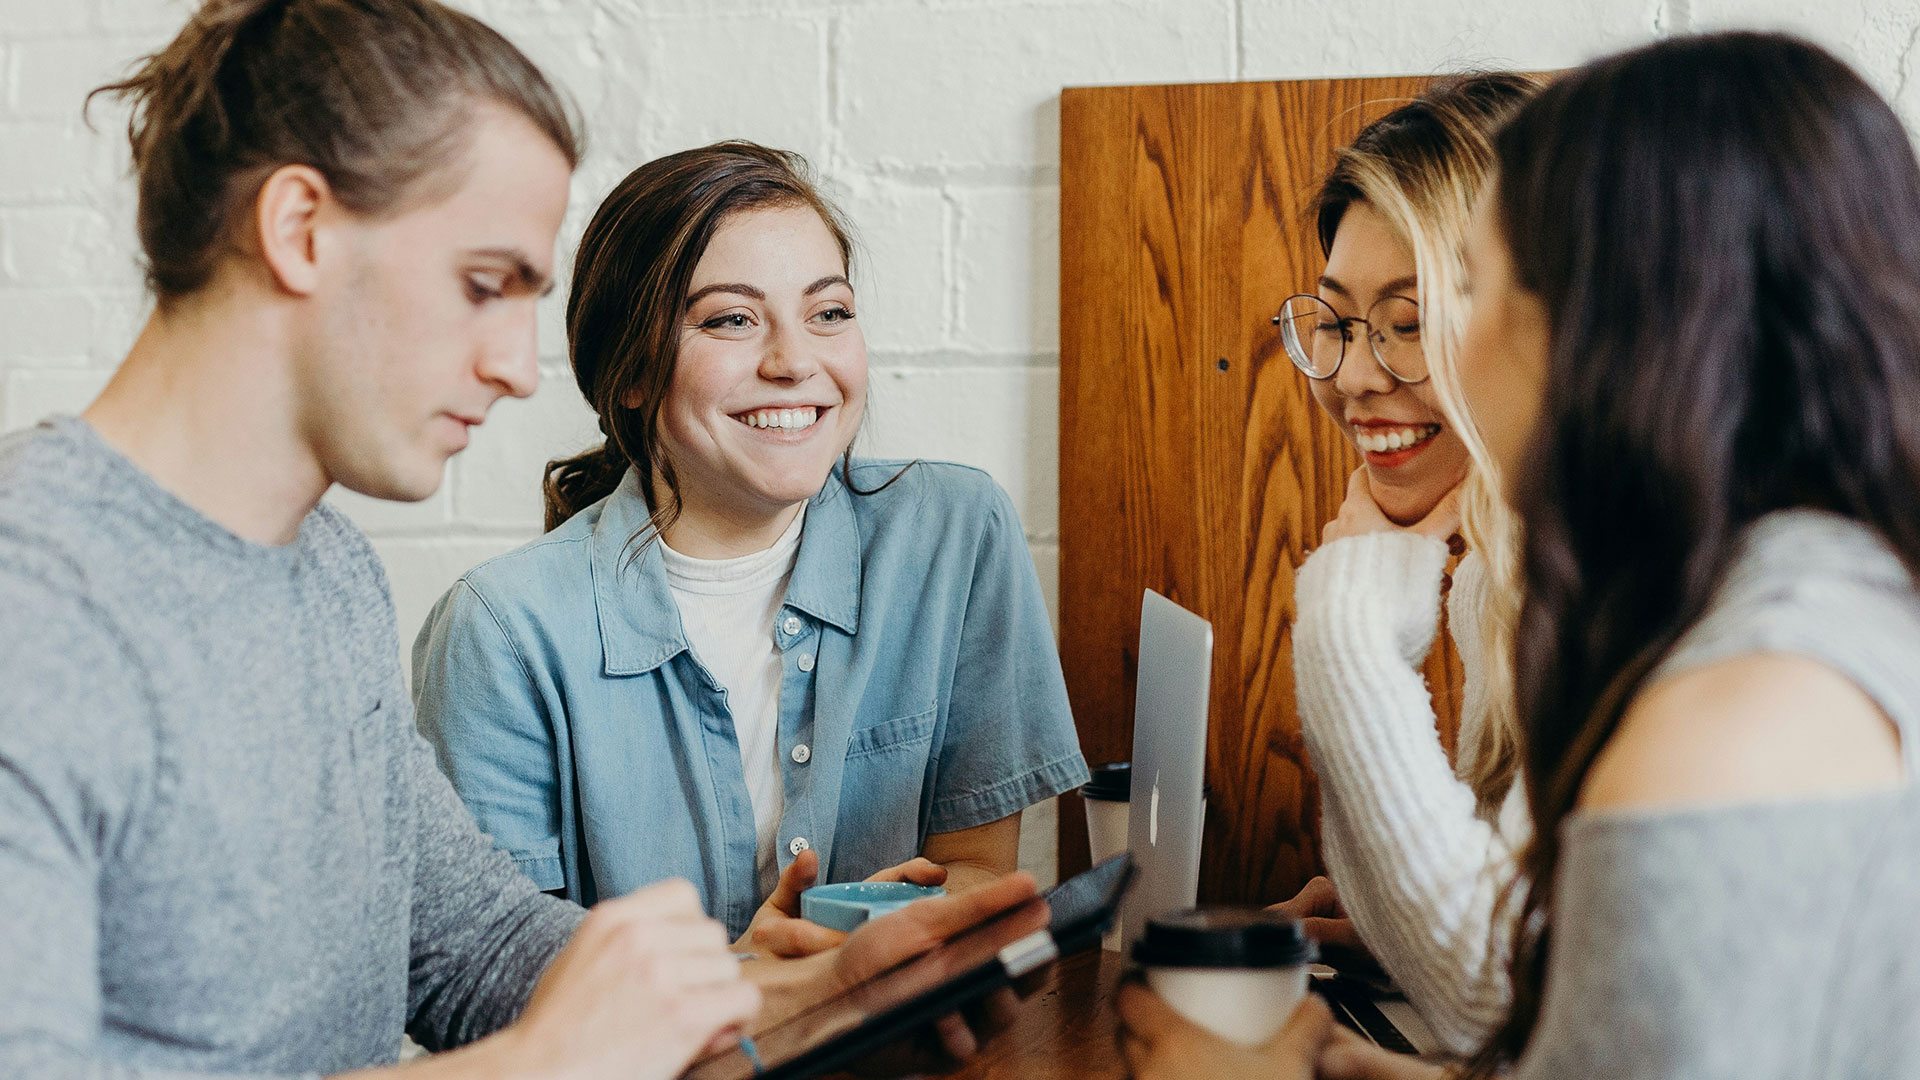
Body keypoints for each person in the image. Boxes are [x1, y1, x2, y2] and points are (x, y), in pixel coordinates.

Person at [0, 3, 1039, 1078]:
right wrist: (544, 1065)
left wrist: (812, 991)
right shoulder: (33, 605)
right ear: (300, 229)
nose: (517, 367)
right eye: (482, 285)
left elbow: (475, 950)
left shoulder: (327, 574)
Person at [1124, 30, 1920, 1080]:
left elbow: (1521, 996)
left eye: (1476, 291)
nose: (1377, 369)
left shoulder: (1727, 716)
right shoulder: (1816, 598)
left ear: (1616, 324)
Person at [411, 141, 1089, 956]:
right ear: (628, 372)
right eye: (732, 319)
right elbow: (499, 979)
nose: (795, 361)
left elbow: (976, 871)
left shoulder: (954, 534)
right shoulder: (501, 631)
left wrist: (855, 955)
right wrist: (755, 983)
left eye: (828, 312)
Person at [1266, 73, 1539, 1054]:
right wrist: (1392, 924)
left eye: (1411, 322)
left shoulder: (1617, 581)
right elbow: (1520, 964)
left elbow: (1492, 998)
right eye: (1335, 323)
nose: (1355, 376)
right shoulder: (1500, 573)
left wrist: (1345, 622)